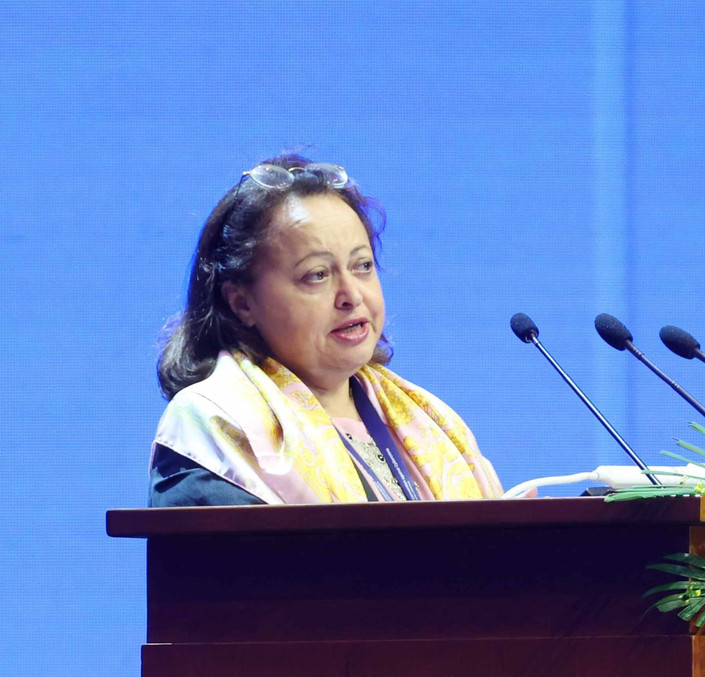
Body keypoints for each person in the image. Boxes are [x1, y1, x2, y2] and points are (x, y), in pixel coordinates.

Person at [150, 153, 503, 506]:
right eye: (317, 275)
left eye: (362, 265)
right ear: (243, 303)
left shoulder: (431, 422)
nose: (352, 295)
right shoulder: (214, 425)